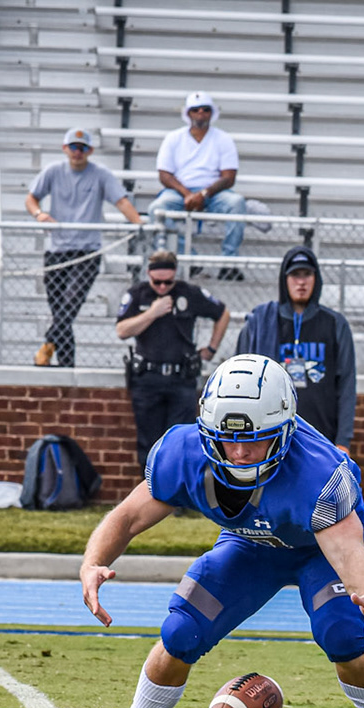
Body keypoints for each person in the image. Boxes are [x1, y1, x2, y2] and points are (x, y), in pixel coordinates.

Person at [72, 353, 364, 708]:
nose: (240, 452)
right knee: (181, 630)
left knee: (344, 634)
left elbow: (346, 551)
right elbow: (127, 517)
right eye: (228, 439)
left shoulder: (318, 473)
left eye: (255, 440)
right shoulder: (184, 453)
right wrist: (94, 562)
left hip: (319, 549)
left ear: (284, 430)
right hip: (250, 544)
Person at [28, 126, 142, 367]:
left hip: (87, 251)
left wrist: (139, 224)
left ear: (89, 151)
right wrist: (39, 214)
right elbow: (31, 198)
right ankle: (66, 365)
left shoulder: (100, 174)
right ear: (65, 148)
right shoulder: (53, 171)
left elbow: (121, 201)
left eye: (82, 148)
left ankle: (46, 347)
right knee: (61, 312)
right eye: (73, 147)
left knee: (69, 305)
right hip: (56, 250)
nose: (77, 152)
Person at [235, 245, 357, 452]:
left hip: (321, 437)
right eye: (295, 275)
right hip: (269, 436)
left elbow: (346, 385)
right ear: (285, 279)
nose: (301, 282)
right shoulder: (260, 323)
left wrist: (343, 441)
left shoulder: (335, 324)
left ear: (316, 279)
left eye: (307, 274)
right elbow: (240, 381)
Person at [116, 248, 228, 472]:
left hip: (181, 379)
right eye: (157, 282)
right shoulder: (138, 294)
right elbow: (122, 330)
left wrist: (211, 349)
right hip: (147, 378)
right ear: (148, 274)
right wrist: (152, 313)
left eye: (168, 282)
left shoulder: (189, 293)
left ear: (175, 274)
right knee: (149, 444)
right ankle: (149, 488)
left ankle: (177, 491)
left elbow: (223, 313)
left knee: (181, 443)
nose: (162, 287)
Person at [148, 92, 246, 277]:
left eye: (205, 109)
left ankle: (229, 262)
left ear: (211, 113)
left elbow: (229, 177)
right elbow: (164, 175)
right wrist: (188, 194)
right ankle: (189, 258)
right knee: (156, 209)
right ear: (188, 113)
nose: (200, 113)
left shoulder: (223, 139)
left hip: (214, 193)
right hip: (180, 192)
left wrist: (203, 194)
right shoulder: (173, 138)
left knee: (236, 203)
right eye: (195, 110)